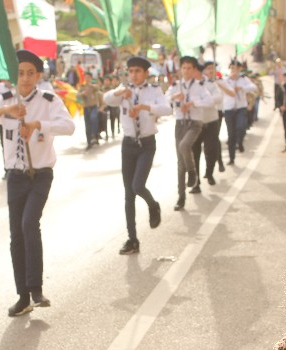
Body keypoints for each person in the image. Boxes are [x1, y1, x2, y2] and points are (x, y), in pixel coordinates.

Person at [0, 50, 75, 317]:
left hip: (40, 174)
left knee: (30, 222)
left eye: (31, 73)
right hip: (15, 176)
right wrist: (4, 110)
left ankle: (37, 287)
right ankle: (23, 296)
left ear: (39, 76)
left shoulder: (48, 100)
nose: (25, 78)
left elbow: (68, 126)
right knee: (16, 235)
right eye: (20, 73)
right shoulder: (6, 99)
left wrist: (37, 124)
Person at [103, 56, 172, 255]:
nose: (134, 75)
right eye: (131, 71)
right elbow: (107, 99)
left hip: (147, 144)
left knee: (138, 185)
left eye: (138, 71)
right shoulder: (123, 91)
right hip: (129, 144)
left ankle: (153, 205)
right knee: (128, 194)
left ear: (146, 73)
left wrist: (145, 107)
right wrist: (119, 91)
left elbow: (167, 108)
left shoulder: (154, 90)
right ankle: (132, 239)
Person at [165, 56, 212, 211]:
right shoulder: (176, 85)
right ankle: (181, 197)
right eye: (183, 67)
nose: (186, 71)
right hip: (180, 123)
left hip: (194, 123)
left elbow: (209, 101)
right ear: (181, 69)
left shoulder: (199, 85)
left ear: (194, 70)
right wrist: (175, 98)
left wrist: (193, 103)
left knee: (184, 146)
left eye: (189, 68)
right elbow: (165, 100)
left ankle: (192, 172)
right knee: (180, 163)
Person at [190, 61, 224, 193]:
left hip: (210, 122)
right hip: (194, 124)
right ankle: (196, 182)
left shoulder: (210, 84)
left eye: (192, 69)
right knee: (194, 154)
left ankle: (209, 173)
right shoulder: (187, 86)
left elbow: (217, 98)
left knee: (211, 150)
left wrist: (198, 102)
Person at [220, 61, 256, 165]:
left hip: (240, 108)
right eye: (231, 68)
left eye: (235, 68)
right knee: (231, 134)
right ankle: (232, 157)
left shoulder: (243, 79)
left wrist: (242, 88)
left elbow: (253, 87)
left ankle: (240, 142)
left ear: (240, 69)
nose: (233, 71)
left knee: (241, 127)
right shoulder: (226, 80)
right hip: (229, 109)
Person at [77, 75, 102, 149]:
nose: (87, 79)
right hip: (86, 108)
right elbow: (77, 95)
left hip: (93, 107)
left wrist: (91, 86)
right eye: (86, 78)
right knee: (87, 125)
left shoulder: (93, 87)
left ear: (91, 78)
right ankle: (89, 142)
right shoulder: (82, 87)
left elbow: (98, 88)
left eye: (88, 78)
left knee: (93, 119)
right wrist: (82, 94)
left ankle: (95, 135)